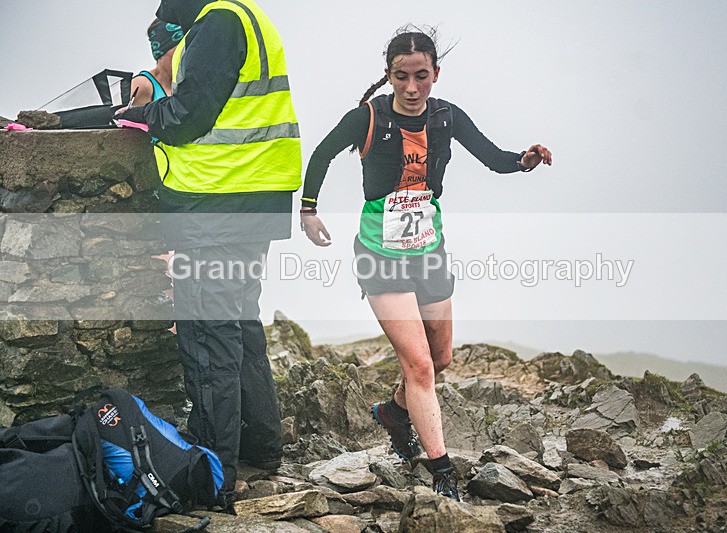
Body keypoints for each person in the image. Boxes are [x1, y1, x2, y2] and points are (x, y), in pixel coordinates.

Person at [300, 28, 552, 501]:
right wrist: (308, 210)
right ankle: (442, 471)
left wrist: (524, 160)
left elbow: (494, 158)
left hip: (429, 250)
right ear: (389, 76)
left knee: (440, 360)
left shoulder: (446, 116)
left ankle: (395, 412)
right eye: (401, 77)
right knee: (418, 365)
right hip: (380, 255)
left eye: (421, 76)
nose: (412, 88)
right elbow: (320, 154)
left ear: (436, 74)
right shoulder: (368, 117)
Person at [116, 0, 301, 510]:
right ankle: (262, 448)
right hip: (255, 198)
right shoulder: (247, 16)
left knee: (208, 336)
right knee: (240, 325)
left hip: (218, 204)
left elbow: (186, 116)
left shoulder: (215, 24)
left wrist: (141, 115)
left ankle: (211, 475)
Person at [130, 19, 184, 105]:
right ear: (161, 52)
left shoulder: (187, 86)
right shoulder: (143, 85)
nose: (183, 56)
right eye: (179, 50)